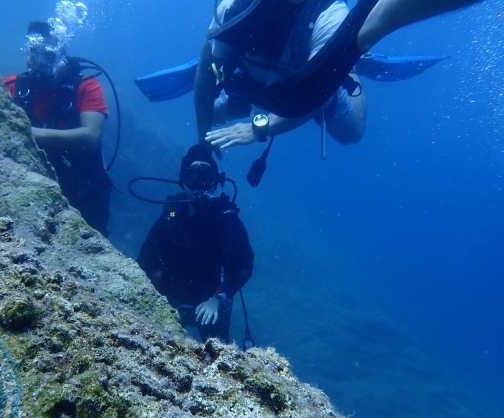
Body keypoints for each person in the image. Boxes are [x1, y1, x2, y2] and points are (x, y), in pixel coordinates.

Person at [195, 0, 482, 151]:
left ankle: (350, 70)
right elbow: (206, 69)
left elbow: (311, 99)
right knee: (213, 117)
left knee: (351, 134)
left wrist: (260, 129)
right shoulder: (234, 6)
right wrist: (201, 137)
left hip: (311, 89)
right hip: (251, 81)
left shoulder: (330, 17)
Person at [4, 21, 112, 237]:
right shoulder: (12, 86)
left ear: (61, 54)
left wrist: (31, 133)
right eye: (34, 55)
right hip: (32, 187)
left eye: (48, 55)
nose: (39, 63)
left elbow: (91, 136)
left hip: (84, 192)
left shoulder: (86, 86)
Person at [137, 145, 254, 343]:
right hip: (169, 300)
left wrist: (219, 298)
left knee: (217, 354)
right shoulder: (171, 215)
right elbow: (145, 259)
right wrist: (157, 293)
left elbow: (245, 266)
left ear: (216, 182)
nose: (200, 184)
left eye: (207, 176)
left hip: (213, 304)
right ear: (183, 182)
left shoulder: (227, 219)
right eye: (192, 177)